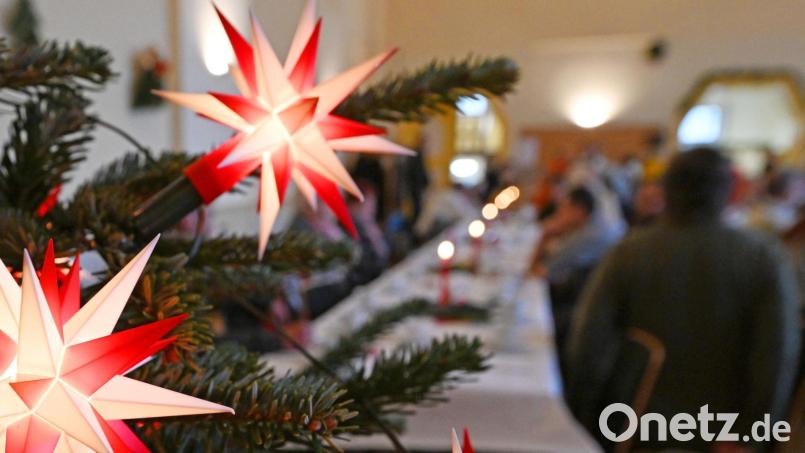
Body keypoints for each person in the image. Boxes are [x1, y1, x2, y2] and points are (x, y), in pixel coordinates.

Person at [566, 147, 801, 451]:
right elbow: (777, 354)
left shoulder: (629, 253)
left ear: (667, 191)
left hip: (636, 423)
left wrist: (584, 420)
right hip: (723, 430)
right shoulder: (764, 257)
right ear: (728, 192)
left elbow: (588, 345)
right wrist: (753, 433)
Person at [532, 186, 623, 353]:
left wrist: (546, 234)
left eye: (564, 208)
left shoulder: (587, 237)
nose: (559, 213)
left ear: (579, 211)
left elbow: (538, 272)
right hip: (583, 305)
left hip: (584, 315)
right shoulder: (589, 229)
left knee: (531, 326)